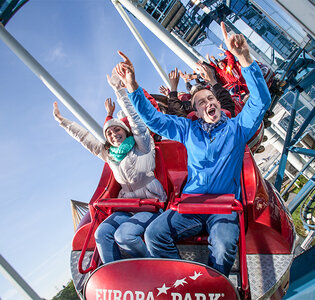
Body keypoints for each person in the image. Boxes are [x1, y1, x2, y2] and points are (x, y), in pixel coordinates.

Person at [113, 21, 271, 276]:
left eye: (211, 98)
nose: (209, 102)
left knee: (223, 244)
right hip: (192, 204)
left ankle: (216, 283)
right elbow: (154, 120)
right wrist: (132, 86)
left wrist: (244, 57)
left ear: (218, 104)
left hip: (225, 205)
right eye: (202, 102)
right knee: (155, 234)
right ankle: (186, 280)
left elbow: (261, 101)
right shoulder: (188, 131)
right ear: (196, 112)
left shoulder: (237, 128)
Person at [52, 75, 166, 264]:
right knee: (102, 233)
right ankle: (118, 274)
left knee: (124, 236)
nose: (114, 135)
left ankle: (155, 267)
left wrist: (119, 91)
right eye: (109, 133)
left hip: (150, 202)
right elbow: (85, 138)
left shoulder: (143, 145)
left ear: (125, 131)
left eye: (117, 130)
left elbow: (135, 119)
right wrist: (63, 121)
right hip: (127, 205)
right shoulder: (110, 155)